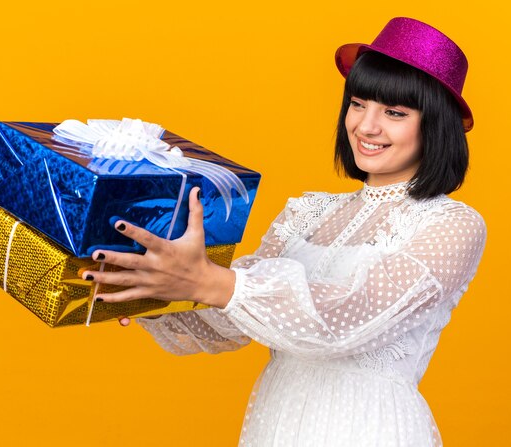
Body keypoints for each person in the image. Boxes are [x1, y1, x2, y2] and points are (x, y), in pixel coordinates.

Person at [82, 17, 487, 447]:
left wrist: (210, 280)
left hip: (370, 428)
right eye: (358, 103)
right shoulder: (307, 211)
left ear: (436, 126)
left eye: (394, 113)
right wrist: (142, 283)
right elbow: (229, 321)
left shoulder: (453, 224)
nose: (366, 126)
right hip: (279, 422)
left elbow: (345, 317)